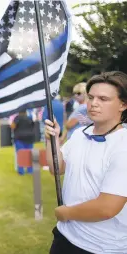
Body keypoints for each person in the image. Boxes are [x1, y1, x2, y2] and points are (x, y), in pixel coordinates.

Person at [44, 71, 127, 253]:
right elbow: (57, 168)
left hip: (102, 247)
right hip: (65, 237)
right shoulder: (81, 134)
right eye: (91, 97)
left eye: (103, 99)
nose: (94, 103)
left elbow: (107, 207)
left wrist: (66, 213)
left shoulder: (123, 145)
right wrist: (52, 140)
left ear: (123, 104)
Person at [11, 111, 35, 175]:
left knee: (21, 155)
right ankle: (30, 170)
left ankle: (21, 171)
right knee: (29, 155)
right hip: (29, 138)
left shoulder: (17, 118)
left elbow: (12, 126)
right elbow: (33, 126)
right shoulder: (30, 118)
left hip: (20, 138)